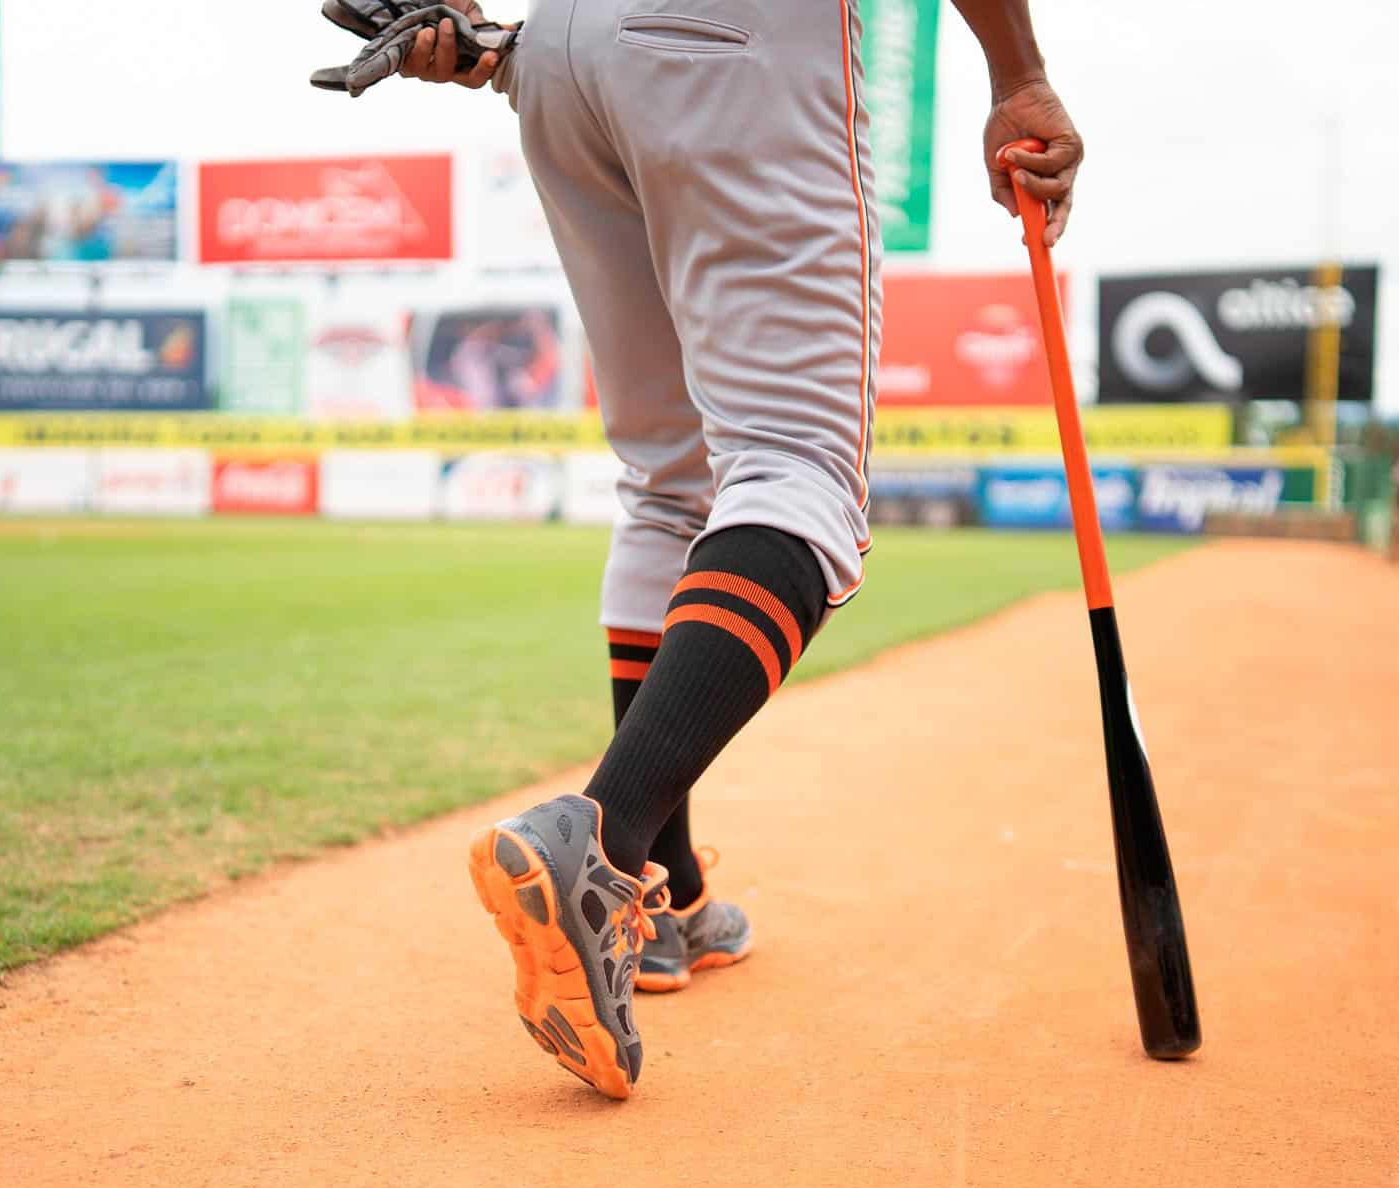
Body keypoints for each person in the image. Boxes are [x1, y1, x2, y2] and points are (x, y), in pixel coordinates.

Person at [390, 0, 1083, 1098]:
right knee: (794, 467)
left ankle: (664, 898)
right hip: (732, 43)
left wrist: (471, 29)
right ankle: (604, 847)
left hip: (560, 58)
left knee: (669, 486)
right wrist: (1018, 73)